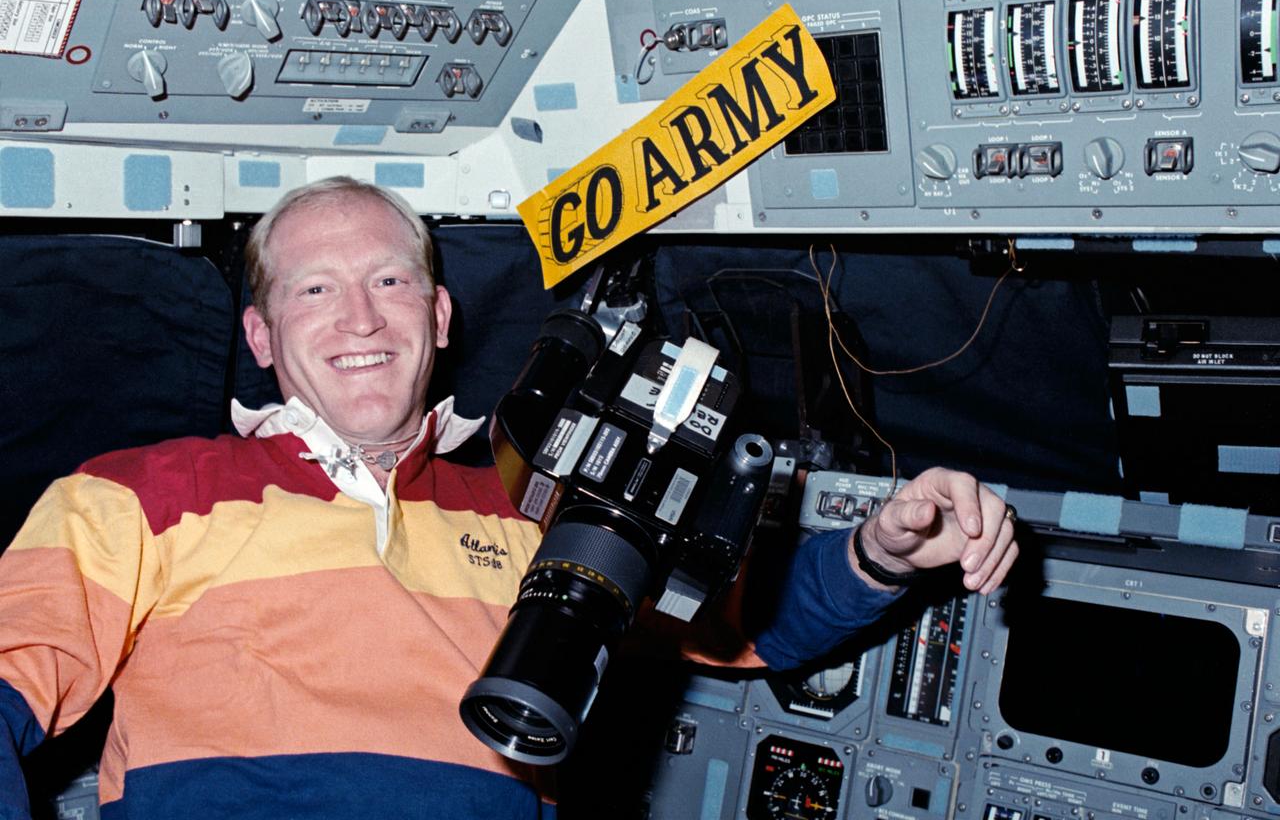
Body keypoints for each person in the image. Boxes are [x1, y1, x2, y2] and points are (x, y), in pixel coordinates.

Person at [0, 177, 1018, 819]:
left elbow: (734, 621)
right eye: (313, 289)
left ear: (439, 314)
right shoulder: (132, 492)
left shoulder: (528, 494)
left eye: (390, 282)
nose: (359, 314)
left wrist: (880, 551)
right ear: (263, 338)